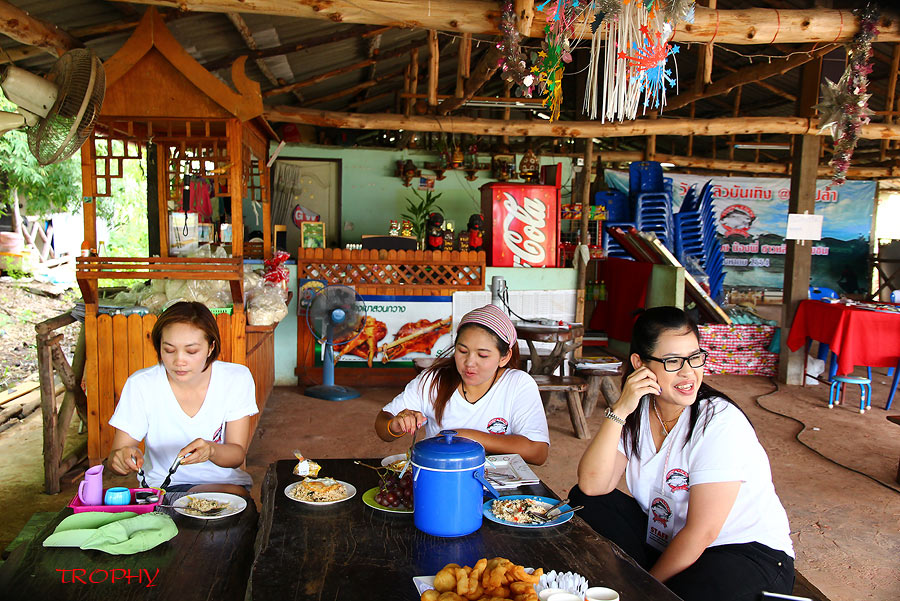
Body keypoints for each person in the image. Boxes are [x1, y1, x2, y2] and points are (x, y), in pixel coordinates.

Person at [572, 307, 794, 601]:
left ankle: (650, 580)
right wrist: (620, 410)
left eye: (695, 357)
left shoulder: (719, 421)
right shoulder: (639, 407)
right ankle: (653, 578)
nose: (689, 372)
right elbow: (593, 485)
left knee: (686, 592)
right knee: (585, 501)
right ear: (640, 364)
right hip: (667, 537)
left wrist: (645, 588)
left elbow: (702, 533)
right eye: (673, 361)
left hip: (742, 552)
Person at [107, 301, 258, 498]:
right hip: (161, 489)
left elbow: (236, 455)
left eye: (192, 351)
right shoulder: (141, 385)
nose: (179, 361)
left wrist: (211, 450)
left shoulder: (235, 378)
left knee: (234, 503)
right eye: (169, 350)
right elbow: (116, 456)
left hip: (222, 486)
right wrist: (121, 459)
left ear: (211, 347)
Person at [375, 304, 549, 465]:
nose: (469, 363)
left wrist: (463, 435)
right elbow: (383, 424)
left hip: (500, 487)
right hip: (441, 477)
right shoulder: (432, 381)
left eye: (483, 355)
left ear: (504, 357)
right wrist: (395, 425)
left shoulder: (518, 384)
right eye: (462, 351)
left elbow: (538, 452)